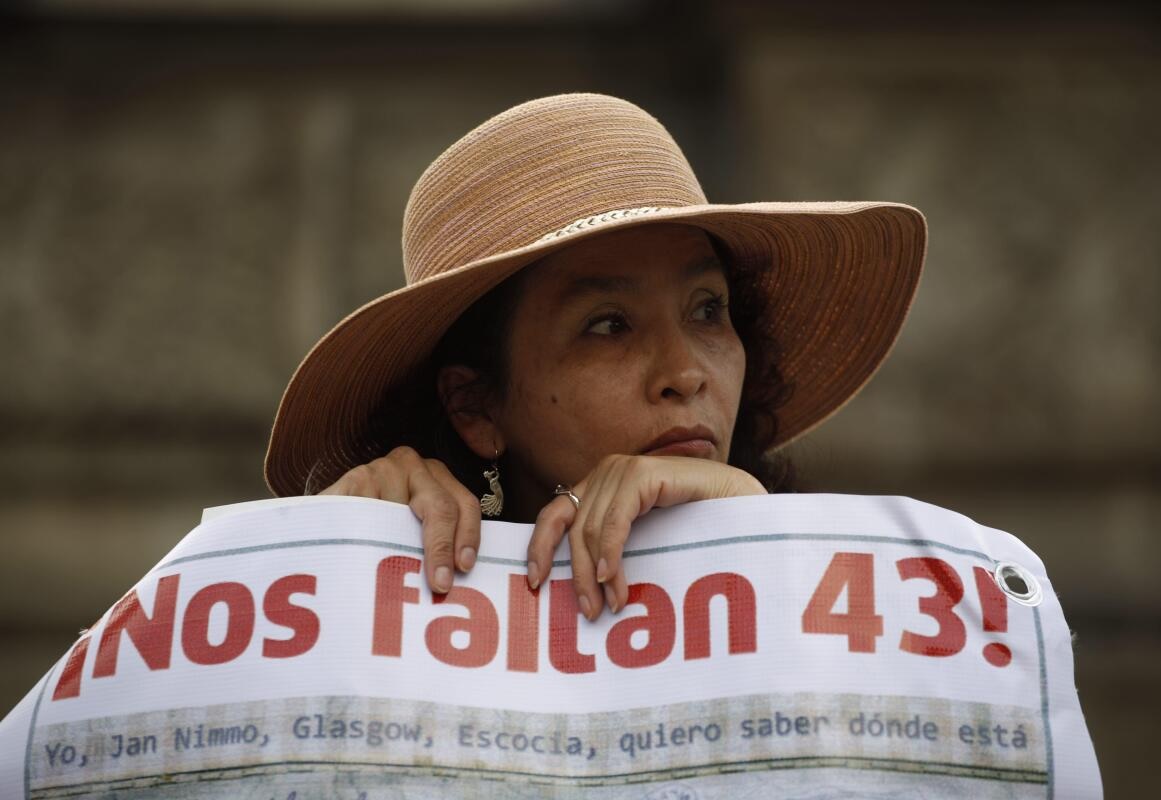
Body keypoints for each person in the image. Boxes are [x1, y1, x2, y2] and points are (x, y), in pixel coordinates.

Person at [263, 93, 926, 622]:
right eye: (608, 325)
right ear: (474, 405)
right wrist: (332, 567)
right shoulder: (388, 596)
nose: (685, 373)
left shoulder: (887, 603)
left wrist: (757, 537)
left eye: (707, 309)